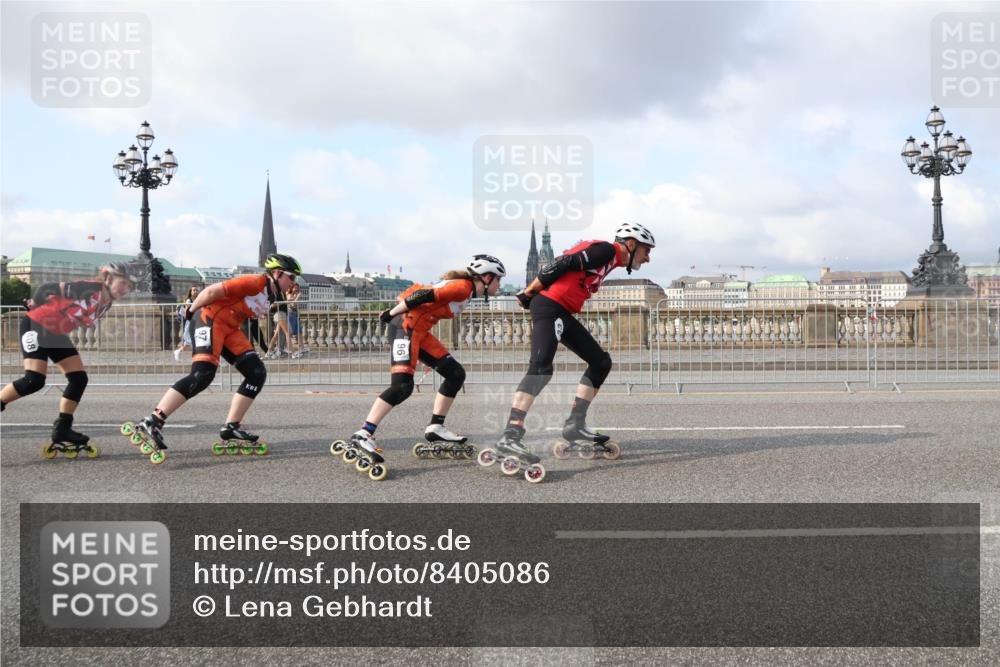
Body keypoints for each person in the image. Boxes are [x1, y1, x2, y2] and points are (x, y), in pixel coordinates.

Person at [493, 223, 655, 464]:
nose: (648, 258)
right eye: (646, 250)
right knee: (540, 368)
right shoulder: (607, 251)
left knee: (600, 362)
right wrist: (530, 291)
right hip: (550, 306)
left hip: (562, 311)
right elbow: (562, 262)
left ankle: (575, 425)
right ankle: (510, 434)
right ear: (631, 244)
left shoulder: (609, 261)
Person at [335, 254, 506, 479]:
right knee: (402, 386)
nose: (499, 285)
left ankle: (436, 428)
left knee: (455, 374)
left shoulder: (467, 291)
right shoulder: (463, 287)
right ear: (486, 277)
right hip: (405, 327)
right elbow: (424, 294)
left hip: (420, 331)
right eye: (498, 280)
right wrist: (391, 313)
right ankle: (364, 433)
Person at [126, 254, 302, 461]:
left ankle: (231, 427)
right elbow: (211, 291)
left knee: (256, 373)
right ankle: (154, 420)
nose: (294, 282)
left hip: (229, 328)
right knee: (202, 375)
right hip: (209, 320)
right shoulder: (255, 281)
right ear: (277, 273)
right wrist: (190, 313)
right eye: (291, 277)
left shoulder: (270, 293)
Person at [0, 261, 141, 457]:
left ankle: (62, 428)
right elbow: (46, 288)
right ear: (108, 278)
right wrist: (39, 303)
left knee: (78, 379)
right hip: (37, 325)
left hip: (55, 334)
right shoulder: (89, 288)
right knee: (34, 380)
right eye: (124, 283)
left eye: (130, 286)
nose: (127, 289)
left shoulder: (106, 303)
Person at [265, 283, 298, 359]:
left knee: (276, 335)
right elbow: (272, 305)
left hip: (282, 314)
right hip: (279, 314)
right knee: (287, 332)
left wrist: (287, 301)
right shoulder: (275, 293)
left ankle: (268, 352)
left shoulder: (282, 292)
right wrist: (286, 301)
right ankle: (293, 353)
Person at [173, 286, 200, 361]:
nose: (195, 291)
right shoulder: (189, 300)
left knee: (193, 341)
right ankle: (179, 352)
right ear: (190, 292)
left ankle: (179, 352)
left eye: (196, 290)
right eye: (194, 290)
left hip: (195, 321)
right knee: (190, 341)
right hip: (190, 322)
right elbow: (188, 311)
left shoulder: (198, 300)